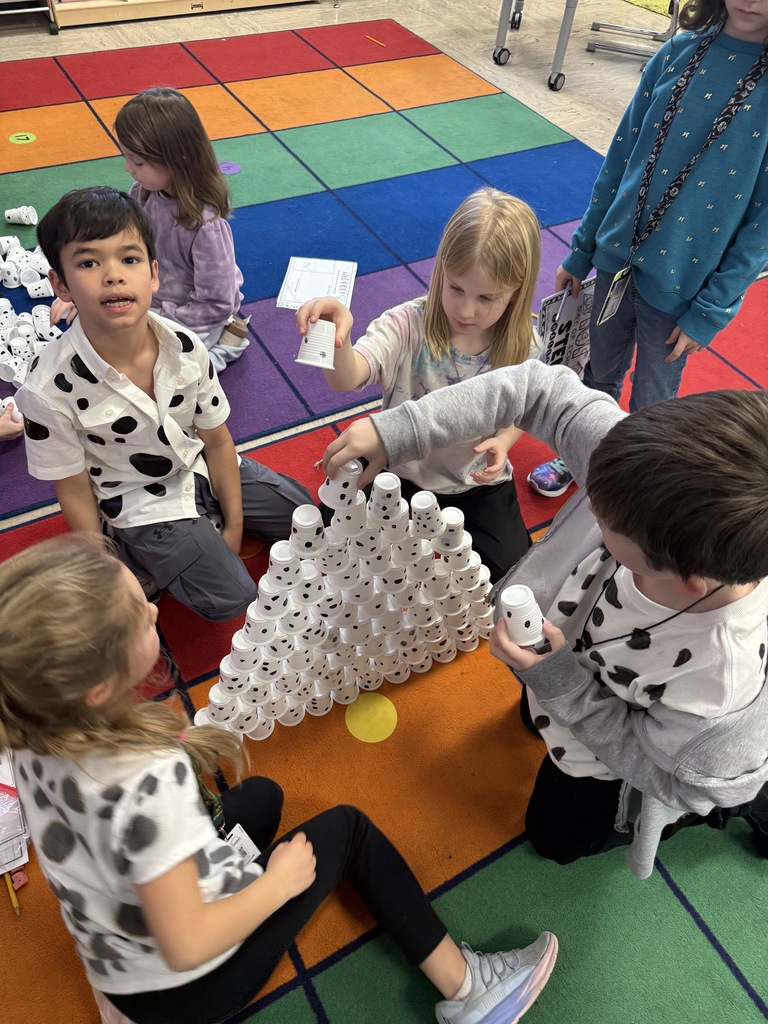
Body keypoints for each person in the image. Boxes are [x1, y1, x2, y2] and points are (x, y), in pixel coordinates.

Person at [0, 533, 558, 1024]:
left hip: (118, 949)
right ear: (96, 687)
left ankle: (127, 993)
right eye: (138, 614)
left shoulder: (29, 729)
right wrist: (277, 884)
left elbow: (99, 830)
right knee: (347, 830)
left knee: (262, 800)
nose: (151, 606)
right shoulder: (149, 784)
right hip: (187, 983)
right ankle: (469, 992)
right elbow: (187, 942)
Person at [320, 361, 768, 879]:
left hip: (627, 759)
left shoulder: (717, 685)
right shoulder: (641, 480)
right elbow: (540, 387)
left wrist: (559, 684)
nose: (589, 500)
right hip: (567, 671)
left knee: (555, 839)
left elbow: (680, 783)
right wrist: (396, 430)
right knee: (532, 717)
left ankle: (750, 808)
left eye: (601, 517)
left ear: (685, 580)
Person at [16, 185, 311, 621]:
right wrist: (110, 572)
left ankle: (202, 524)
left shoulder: (185, 345)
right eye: (89, 262)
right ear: (60, 284)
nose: (113, 275)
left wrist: (232, 525)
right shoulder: (47, 388)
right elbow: (74, 488)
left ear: (153, 274)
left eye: (129, 259)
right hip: (136, 499)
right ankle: (136, 553)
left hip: (197, 467)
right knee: (232, 600)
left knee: (304, 515)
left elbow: (217, 441)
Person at [528, 0, 768, 498]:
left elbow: (761, 226)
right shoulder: (677, 51)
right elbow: (620, 156)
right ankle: (582, 451)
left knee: (655, 403)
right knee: (597, 374)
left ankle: (635, 489)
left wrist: (711, 310)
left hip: (684, 283)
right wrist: (582, 248)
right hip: (617, 263)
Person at [296, 187, 541, 583]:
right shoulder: (407, 324)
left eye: (486, 298)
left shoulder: (525, 346)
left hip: (472, 483)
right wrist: (335, 335)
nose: (465, 309)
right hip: (396, 471)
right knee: (329, 547)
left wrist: (505, 441)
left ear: (516, 292)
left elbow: (527, 402)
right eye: (456, 288)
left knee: (514, 576)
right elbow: (347, 378)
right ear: (441, 269)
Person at [51, 88, 248, 373]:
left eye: (138, 162)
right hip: (147, 300)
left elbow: (217, 302)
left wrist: (149, 320)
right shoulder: (142, 194)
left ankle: (223, 348)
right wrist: (82, 295)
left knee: (147, 371)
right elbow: (117, 250)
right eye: (128, 157)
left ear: (178, 158)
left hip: (189, 316)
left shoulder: (205, 227)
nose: (127, 167)